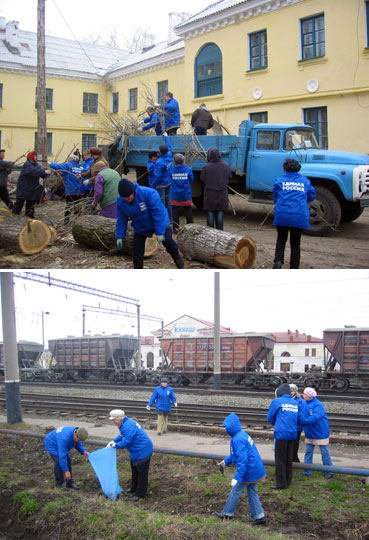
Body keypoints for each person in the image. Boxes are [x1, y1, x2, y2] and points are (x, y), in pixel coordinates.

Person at [115, 178, 184, 269]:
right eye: (125, 197)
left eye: (129, 196)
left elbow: (157, 214)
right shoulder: (120, 201)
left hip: (160, 221)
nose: (127, 199)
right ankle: (138, 269)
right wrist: (119, 236)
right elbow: (121, 219)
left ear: (133, 191)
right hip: (141, 225)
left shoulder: (149, 194)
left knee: (168, 242)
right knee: (137, 250)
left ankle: (178, 260)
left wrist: (159, 232)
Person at [214, 413, 266, 525]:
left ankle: (227, 514)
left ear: (231, 427)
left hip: (249, 470)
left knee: (236, 490)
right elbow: (235, 455)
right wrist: (225, 461)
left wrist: (237, 477)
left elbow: (243, 460)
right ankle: (260, 517)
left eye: (226, 427)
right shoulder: (241, 435)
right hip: (255, 469)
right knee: (252, 492)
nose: (225, 429)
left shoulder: (237, 439)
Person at [272, 158, 316, 269]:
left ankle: (278, 262)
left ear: (284, 169)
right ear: (298, 170)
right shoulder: (305, 181)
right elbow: (312, 196)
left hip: (282, 215)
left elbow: (275, 197)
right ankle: (294, 267)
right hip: (299, 216)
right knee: (295, 242)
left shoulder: (279, 180)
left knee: (281, 239)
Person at [106, 409, 153, 501]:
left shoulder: (127, 426)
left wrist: (115, 445)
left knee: (142, 474)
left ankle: (141, 494)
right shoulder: (125, 423)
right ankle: (134, 488)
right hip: (135, 451)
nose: (113, 422)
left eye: (114, 420)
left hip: (143, 450)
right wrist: (114, 440)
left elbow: (125, 443)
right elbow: (122, 435)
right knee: (134, 470)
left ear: (120, 419)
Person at [267, 383, 300, 490]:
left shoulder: (277, 401)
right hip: (292, 434)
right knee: (289, 458)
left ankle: (281, 483)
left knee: (280, 459)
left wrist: (276, 423)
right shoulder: (295, 402)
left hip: (281, 434)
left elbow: (270, 416)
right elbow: (299, 418)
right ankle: (288, 480)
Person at [300, 387, 334, 479]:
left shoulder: (318, 405)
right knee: (308, 451)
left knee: (324, 452)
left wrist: (303, 421)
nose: (303, 395)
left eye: (305, 394)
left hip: (320, 433)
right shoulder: (304, 403)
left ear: (310, 396)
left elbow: (315, 417)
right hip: (310, 432)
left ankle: (329, 471)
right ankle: (307, 470)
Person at [200, 147, 231, 230]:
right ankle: (220, 233)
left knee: (210, 212)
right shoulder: (226, 166)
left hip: (210, 193)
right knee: (220, 212)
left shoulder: (206, 167)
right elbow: (229, 177)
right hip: (222, 193)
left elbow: (202, 179)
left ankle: (211, 233)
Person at [12, 151, 49, 218]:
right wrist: (43, 171)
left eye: (36, 156)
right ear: (31, 156)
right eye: (35, 156)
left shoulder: (36, 165)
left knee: (31, 203)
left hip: (32, 188)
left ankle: (29, 217)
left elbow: (41, 173)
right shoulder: (27, 164)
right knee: (19, 203)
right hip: (24, 187)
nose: (36, 157)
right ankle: (14, 217)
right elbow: (33, 171)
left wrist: (45, 174)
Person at [50, 155, 84, 225]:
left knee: (69, 207)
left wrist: (50, 163)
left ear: (70, 160)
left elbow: (58, 167)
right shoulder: (78, 167)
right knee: (78, 207)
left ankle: (66, 222)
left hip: (71, 190)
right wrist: (58, 173)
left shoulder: (69, 165)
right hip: (80, 190)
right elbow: (65, 173)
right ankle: (77, 222)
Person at [168, 153, 194, 232]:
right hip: (186, 194)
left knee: (175, 212)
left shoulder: (171, 169)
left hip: (175, 194)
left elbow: (169, 177)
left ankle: (175, 229)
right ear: (183, 161)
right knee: (188, 211)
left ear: (174, 161)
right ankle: (191, 228)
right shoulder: (187, 169)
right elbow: (191, 179)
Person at [151, 135, 173, 221]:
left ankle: (164, 220)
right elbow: (169, 146)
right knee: (169, 201)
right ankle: (170, 219)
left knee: (162, 202)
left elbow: (158, 176)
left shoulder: (159, 162)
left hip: (161, 185)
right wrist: (167, 137)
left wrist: (153, 186)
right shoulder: (169, 155)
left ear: (159, 152)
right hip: (169, 182)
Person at [289, 383, 304, 462]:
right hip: (290, 426)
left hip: (297, 427)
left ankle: (294, 458)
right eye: (290, 391)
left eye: (293, 391)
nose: (291, 392)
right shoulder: (289, 399)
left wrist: (299, 426)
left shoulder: (299, 401)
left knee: (295, 444)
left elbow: (301, 415)